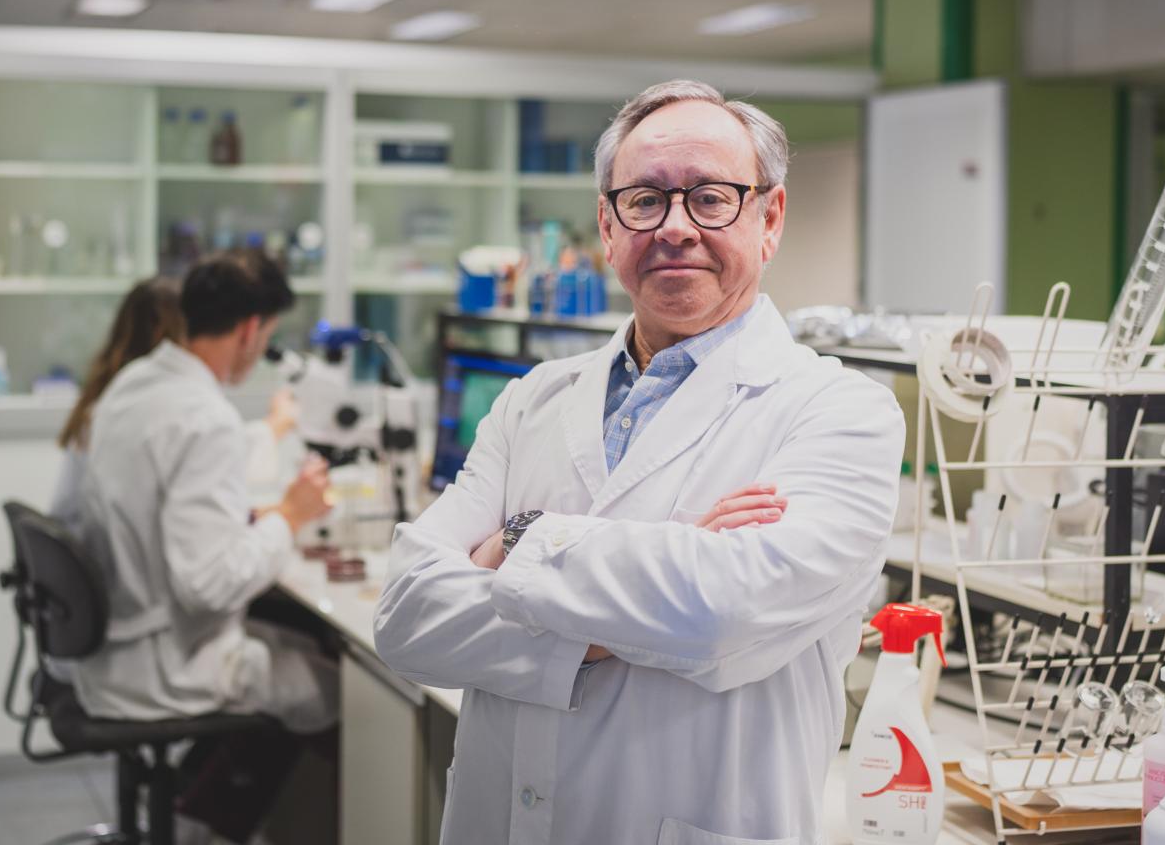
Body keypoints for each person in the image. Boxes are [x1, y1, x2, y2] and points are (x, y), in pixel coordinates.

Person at [374, 80, 905, 844]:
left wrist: (514, 544)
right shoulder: (534, 400)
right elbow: (407, 618)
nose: (676, 227)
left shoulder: (839, 412)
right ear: (607, 223)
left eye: (711, 197)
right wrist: (661, 577)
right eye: (645, 200)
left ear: (770, 218)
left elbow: (723, 613)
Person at [70, 251, 339, 843]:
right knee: (345, 690)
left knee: (298, 641)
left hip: (116, 644)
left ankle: (199, 812)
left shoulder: (133, 383)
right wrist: (289, 517)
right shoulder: (205, 416)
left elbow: (165, 507)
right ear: (250, 330)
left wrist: (254, 518)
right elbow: (207, 584)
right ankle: (215, 826)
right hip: (165, 664)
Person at [50, 275, 313, 531]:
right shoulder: (141, 407)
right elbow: (193, 463)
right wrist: (287, 516)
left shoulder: (115, 398)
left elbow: (186, 485)